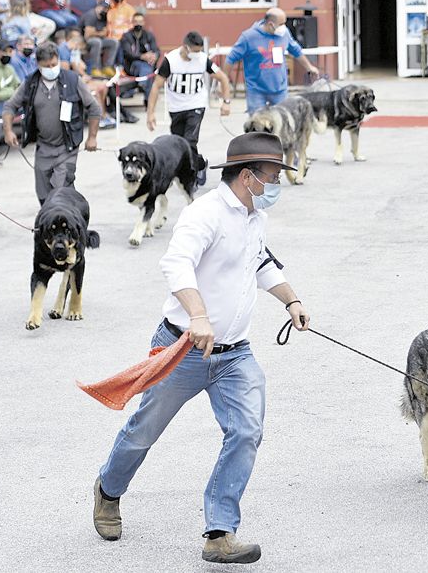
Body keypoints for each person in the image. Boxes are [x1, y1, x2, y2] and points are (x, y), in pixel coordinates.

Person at [91, 131, 311, 564]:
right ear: (248, 177)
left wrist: (292, 300)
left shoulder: (254, 217)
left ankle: (219, 532)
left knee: (246, 431)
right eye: (273, 176)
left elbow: (259, 264)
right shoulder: (204, 213)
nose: (278, 184)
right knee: (143, 432)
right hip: (183, 349)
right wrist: (198, 315)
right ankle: (108, 489)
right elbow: (176, 263)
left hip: (235, 355)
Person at [2, 42, 100, 204]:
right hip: (43, 147)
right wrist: (8, 131)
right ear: (38, 65)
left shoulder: (73, 80)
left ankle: (67, 222)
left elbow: (94, 108)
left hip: (67, 146)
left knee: (61, 189)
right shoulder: (30, 83)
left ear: (59, 60)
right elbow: (10, 106)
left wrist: (92, 137)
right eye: (46, 66)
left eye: (54, 64)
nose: (51, 68)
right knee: (43, 193)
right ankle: (52, 223)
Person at [147, 31, 233, 184]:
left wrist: (226, 102)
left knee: (190, 141)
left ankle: (190, 177)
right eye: (195, 51)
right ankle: (200, 164)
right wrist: (150, 113)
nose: (198, 54)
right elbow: (156, 86)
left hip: (196, 105)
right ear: (185, 47)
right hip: (176, 107)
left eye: (200, 51)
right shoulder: (170, 60)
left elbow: (222, 78)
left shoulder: (202, 59)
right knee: (180, 144)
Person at [226, 7, 319, 113]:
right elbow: (231, 59)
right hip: (256, 91)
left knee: (282, 122)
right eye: (281, 24)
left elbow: (296, 51)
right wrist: (224, 82)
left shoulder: (284, 34)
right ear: (270, 24)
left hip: (279, 90)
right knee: (258, 125)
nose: (284, 27)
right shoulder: (248, 37)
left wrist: (309, 67)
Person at [79, 0, 118, 78]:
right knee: (97, 42)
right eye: (104, 8)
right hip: (83, 41)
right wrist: (99, 33)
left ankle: (107, 66)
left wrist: (95, 32)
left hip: (97, 39)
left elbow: (105, 33)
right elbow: (87, 35)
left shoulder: (104, 17)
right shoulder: (91, 15)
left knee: (114, 42)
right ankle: (95, 68)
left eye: (107, 8)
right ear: (98, 7)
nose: (105, 10)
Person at [120, 12, 159, 80]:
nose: (138, 24)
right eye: (136, 22)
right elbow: (128, 54)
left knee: (148, 68)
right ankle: (144, 88)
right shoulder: (126, 36)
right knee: (146, 69)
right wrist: (142, 56)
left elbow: (156, 50)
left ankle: (144, 87)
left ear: (143, 22)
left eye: (140, 21)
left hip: (148, 62)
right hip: (132, 64)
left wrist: (154, 56)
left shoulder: (149, 35)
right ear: (132, 22)